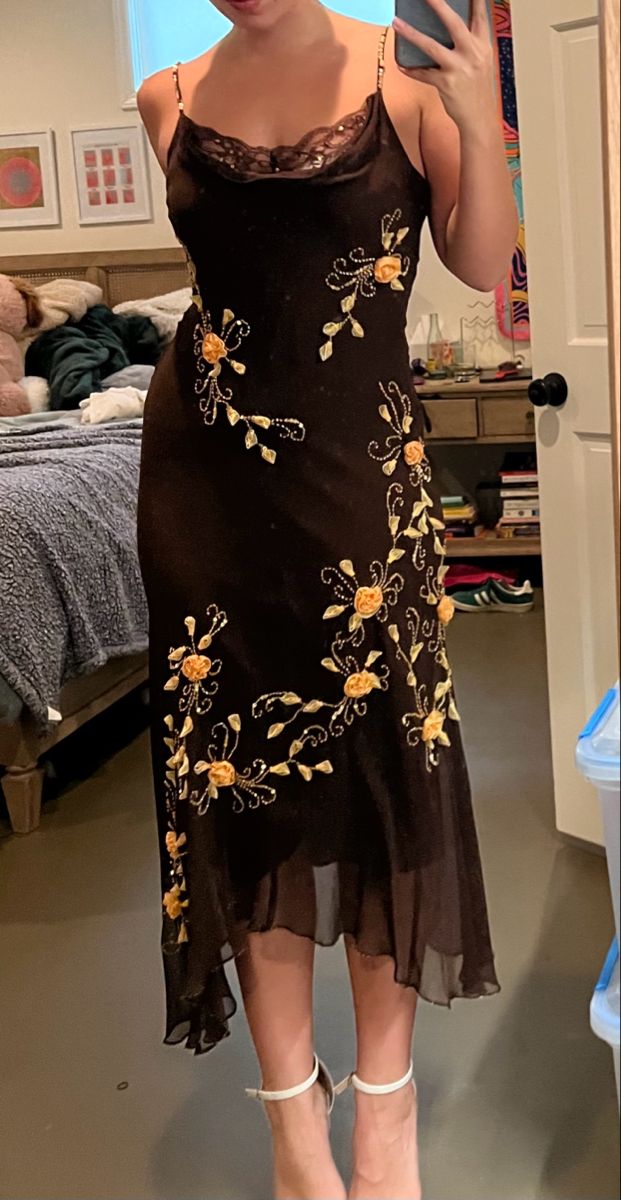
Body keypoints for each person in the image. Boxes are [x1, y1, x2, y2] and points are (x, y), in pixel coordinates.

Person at [137, 1, 517, 1196]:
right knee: (240, 789)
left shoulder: (407, 75)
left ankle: (386, 1113)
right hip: (207, 495)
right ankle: (292, 1121)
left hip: (362, 491)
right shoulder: (164, 95)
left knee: (381, 780)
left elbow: (480, 263)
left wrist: (481, 123)